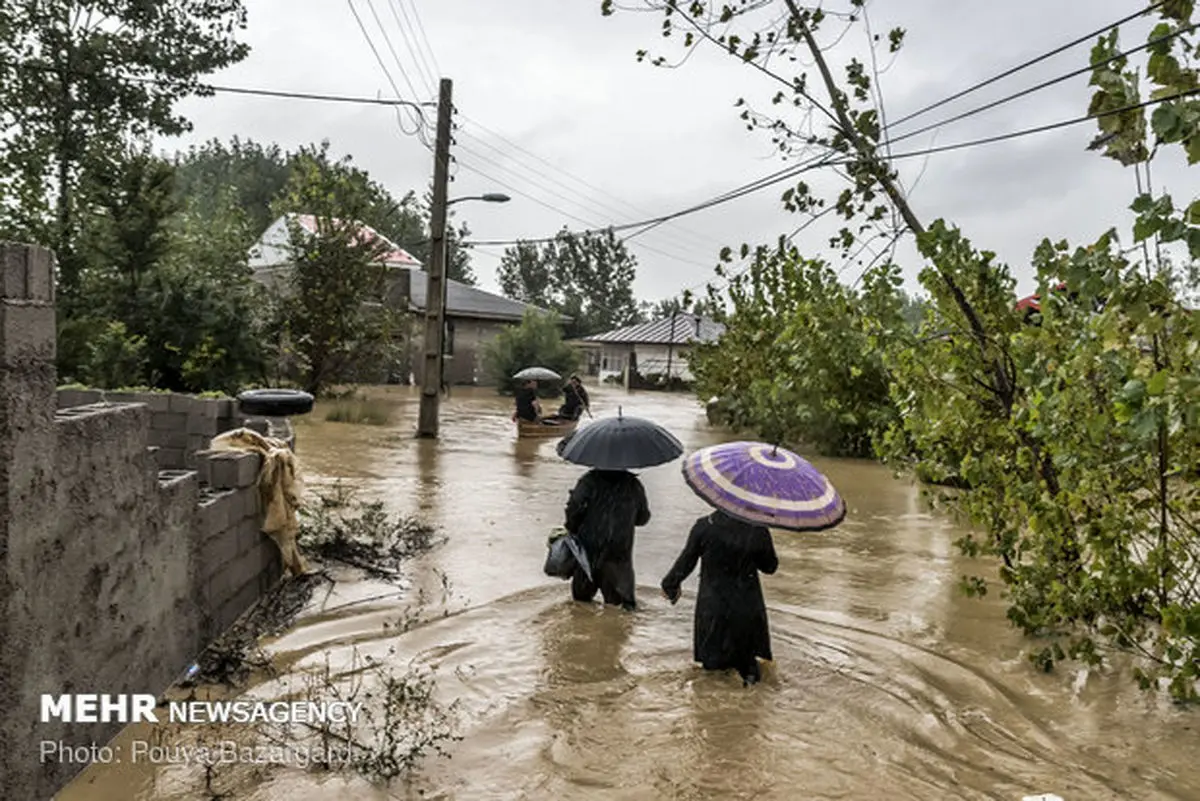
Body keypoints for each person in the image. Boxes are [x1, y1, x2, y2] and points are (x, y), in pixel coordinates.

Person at [661, 510, 778, 686]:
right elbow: (770, 567)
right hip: (746, 610)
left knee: (711, 674)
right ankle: (753, 710)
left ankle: (710, 712)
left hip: (712, 610)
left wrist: (670, 584)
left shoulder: (704, 526)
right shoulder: (757, 529)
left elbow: (686, 561)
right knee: (749, 671)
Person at [563, 468, 651, 610]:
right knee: (620, 607)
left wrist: (571, 527)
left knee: (581, 604)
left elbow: (574, 509)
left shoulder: (588, 481)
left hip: (588, 551)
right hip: (619, 554)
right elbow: (643, 518)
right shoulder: (633, 485)